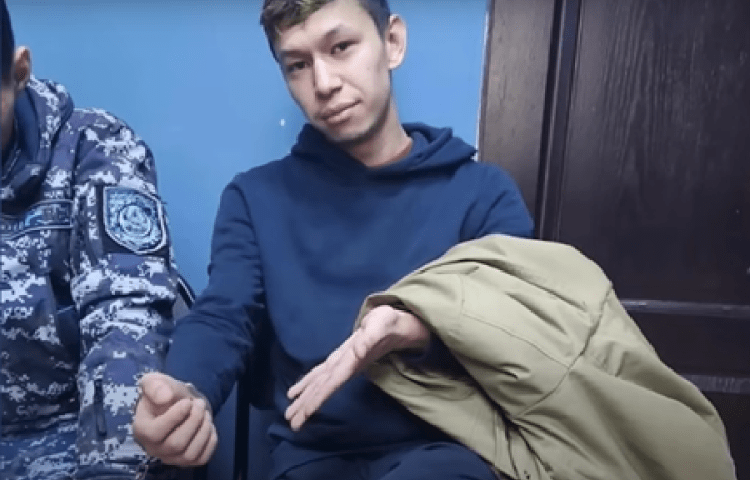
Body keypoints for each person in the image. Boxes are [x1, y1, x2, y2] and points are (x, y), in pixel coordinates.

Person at [133, 1, 533, 479]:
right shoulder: (256, 198)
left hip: (452, 448)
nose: (323, 83)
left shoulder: (482, 195)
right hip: (311, 457)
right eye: (298, 65)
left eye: (341, 47)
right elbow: (224, 315)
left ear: (392, 42)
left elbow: (516, 335)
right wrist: (185, 390)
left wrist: (416, 327)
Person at [1, 1, 181, 478]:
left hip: (63, 445)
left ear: (18, 71)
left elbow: (125, 325)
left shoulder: (94, 149)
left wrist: (110, 471)